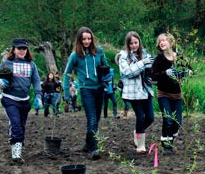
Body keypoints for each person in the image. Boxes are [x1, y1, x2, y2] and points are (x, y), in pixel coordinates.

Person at [62, 26, 112, 160]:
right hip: (86, 89)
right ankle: (94, 148)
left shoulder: (99, 51)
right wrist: (66, 92)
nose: (87, 41)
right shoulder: (75, 56)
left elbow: (107, 67)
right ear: (79, 40)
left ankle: (87, 143)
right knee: (92, 118)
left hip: (100, 88)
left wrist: (108, 76)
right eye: (84, 39)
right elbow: (67, 73)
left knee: (97, 118)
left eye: (89, 38)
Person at [0, 37, 42, 165]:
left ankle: (16, 142)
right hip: (9, 98)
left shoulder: (31, 65)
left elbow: (36, 81)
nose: (22, 51)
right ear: (14, 49)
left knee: (21, 126)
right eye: (19, 48)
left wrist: (38, 96)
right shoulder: (7, 63)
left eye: (24, 48)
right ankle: (16, 154)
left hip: (24, 101)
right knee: (16, 124)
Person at [151, 33, 192, 153]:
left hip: (177, 95)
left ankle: (169, 139)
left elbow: (189, 70)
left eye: (164, 40)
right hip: (163, 94)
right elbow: (153, 75)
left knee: (177, 122)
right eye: (160, 41)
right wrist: (165, 73)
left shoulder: (179, 57)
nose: (162, 43)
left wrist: (187, 72)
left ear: (171, 42)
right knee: (168, 119)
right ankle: (166, 146)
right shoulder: (159, 59)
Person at [118, 31, 154, 153]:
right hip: (132, 92)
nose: (133, 45)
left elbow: (150, 72)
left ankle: (137, 132)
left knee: (150, 118)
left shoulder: (145, 54)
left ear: (139, 42)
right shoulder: (123, 56)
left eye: (135, 42)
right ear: (127, 45)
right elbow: (128, 72)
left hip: (146, 90)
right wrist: (143, 63)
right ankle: (141, 145)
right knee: (140, 117)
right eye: (131, 43)